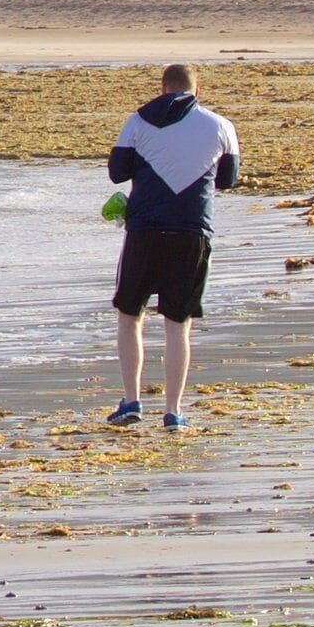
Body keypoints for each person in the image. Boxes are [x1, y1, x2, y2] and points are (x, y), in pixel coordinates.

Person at [107, 60, 239, 431]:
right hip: (192, 231)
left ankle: (131, 401)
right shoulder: (221, 125)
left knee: (130, 315)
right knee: (178, 324)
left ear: (162, 87)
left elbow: (118, 172)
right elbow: (227, 180)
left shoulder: (137, 120)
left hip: (145, 230)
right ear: (198, 90)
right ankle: (173, 411)